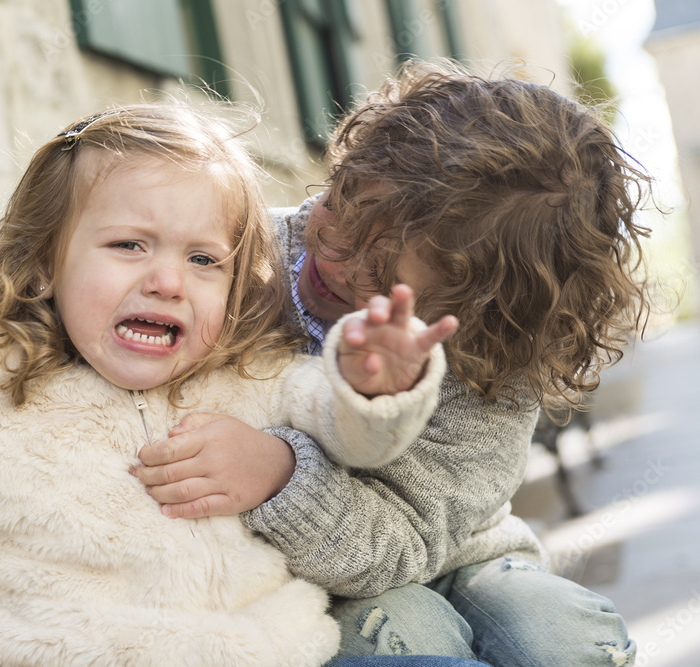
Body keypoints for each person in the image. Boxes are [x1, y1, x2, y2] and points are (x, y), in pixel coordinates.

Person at [0, 104, 458, 666]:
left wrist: (374, 387)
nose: (168, 282)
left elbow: (356, 438)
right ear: (43, 265)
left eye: (203, 259)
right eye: (129, 245)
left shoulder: (254, 376)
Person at [132, 62, 651, 666]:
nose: (333, 259)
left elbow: (403, 544)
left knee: (562, 638)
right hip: (282, 577)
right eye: (341, 205)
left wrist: (281, 476)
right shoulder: (228, 260)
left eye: (381, 278)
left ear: (479, 318)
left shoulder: (492, 370)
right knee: (410, 633)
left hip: (446, 551)